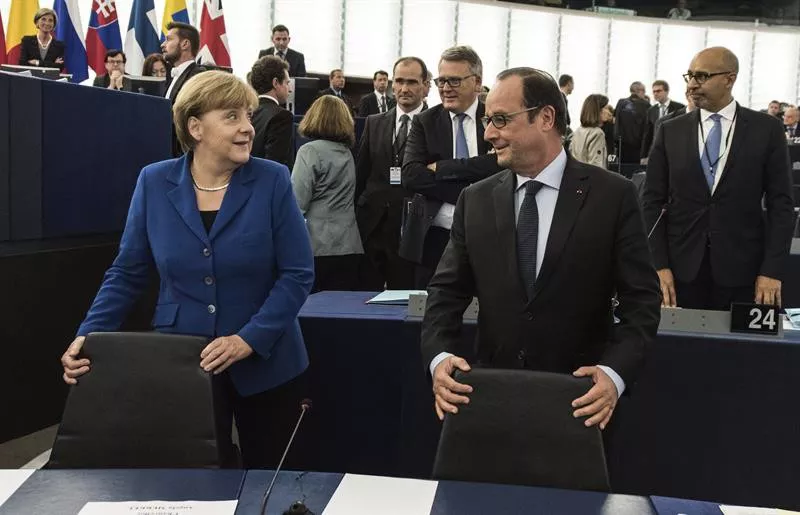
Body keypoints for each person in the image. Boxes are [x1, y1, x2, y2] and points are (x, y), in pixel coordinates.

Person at [60, 71, 315, 468]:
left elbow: (297, 274)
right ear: (195, 126)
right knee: (188, 483)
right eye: (232, 116)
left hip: (268, 363)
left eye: (248, 116)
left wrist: (247, 339)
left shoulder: (273, 180)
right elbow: (127, 272)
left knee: (272, 484)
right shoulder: (153, 181)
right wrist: (86, 337)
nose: (248, 128)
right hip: (181, 362)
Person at [423, 67, 660, 432]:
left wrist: (614, 375)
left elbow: (641, 302)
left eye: (501, 120)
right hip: (490, 401)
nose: (488, 134)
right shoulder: (476, 199)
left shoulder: (613, 196)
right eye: (488, 121)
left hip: (580, 404)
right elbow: (445, 292)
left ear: (546, 117)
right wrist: (439, 358)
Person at [643, 47, 794, 310]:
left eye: (701, 76)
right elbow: (650, 203)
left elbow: (781, 205)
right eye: (689, 76)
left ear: (729, 78)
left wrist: (772, 270)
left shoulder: (766, 129)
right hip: (680, 273)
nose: (692, 84)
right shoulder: (669, 130)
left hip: (745, 273)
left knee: (737, 352)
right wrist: (658, 265)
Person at [400, 45, 502, 288]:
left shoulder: (496, 117)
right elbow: (411, 175)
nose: (445, 88)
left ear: (477, 82)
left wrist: (443, 168)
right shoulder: (425, 121)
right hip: (435, 239)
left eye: (454, 81)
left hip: (491, 238)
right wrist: (471, 191)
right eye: (441, 81)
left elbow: (501, 165)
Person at [355, 57, 428, 291]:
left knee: (403, 298)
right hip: (372, 225)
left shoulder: (436, 125)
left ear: (425, 86)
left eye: (412, 82)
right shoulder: (374, 123)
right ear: (392, 85)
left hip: (411, 229)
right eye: (399, 81)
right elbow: (361, 173)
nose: (404, 88)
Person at [292, 96, 364, 292]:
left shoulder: (309, 151)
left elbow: (296, 202)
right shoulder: (347, 152)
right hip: (350, 243)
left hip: (317, 246)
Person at [162, 21, 206, 156]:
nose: (163, 45)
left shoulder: (197, 76)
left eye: (168, 39)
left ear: (185, 44)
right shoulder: (172, 76)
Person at [249, 56, 294, 167]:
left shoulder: (246, 112)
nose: (290, 89)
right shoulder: (282, 116)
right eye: (287, 83)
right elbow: (275, 164)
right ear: (275, 83)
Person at [641, 80, 685, 160]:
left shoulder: (679, 107)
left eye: (658, 91)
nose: (655, 94)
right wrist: (644, 156)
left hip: (674, 148)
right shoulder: (651, 110)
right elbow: (648, 134)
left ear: (667, 91)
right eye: (654, 91)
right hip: (656, 149)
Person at [570, 94, 612, 169]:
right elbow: (597, 166)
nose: (608, 112)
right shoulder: (597, 133)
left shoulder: (577, 131)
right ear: (597, 110)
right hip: (592, 179)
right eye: (605, 108)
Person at [614, 82, 650, 166]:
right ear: (638, 91)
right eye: (644, 91)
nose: (644, 94)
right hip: (639, 146)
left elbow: (615, 119)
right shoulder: (646, 105)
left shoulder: (621, 103)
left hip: (621, 145)